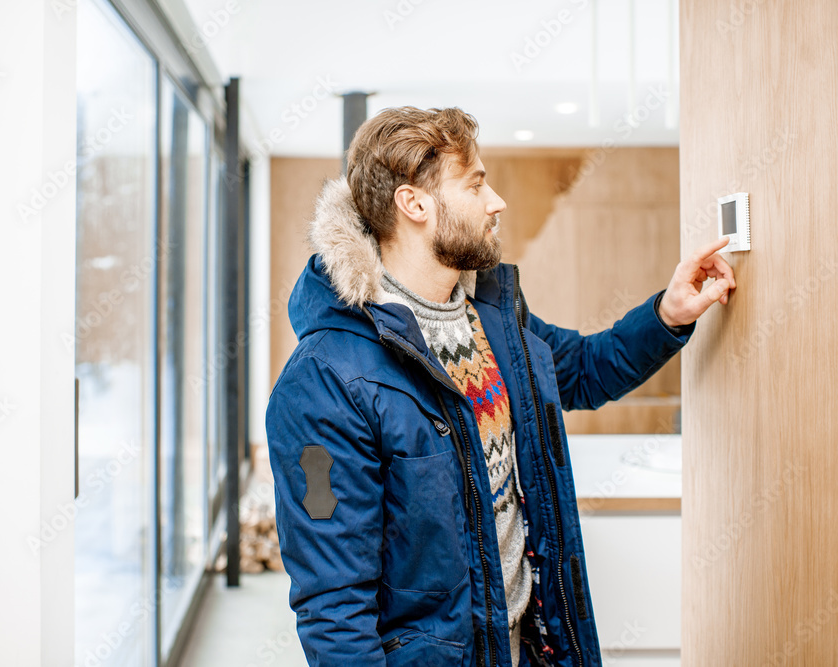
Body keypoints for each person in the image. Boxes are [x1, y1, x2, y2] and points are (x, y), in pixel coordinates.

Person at [265, 106, 735, 667]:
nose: (497, 203)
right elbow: (335, 607)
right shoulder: (324, 379)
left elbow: (584, 370)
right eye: (476, 185)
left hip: (529, 645)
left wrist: (669, 314)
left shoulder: (493, 314)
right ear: (414, 204)